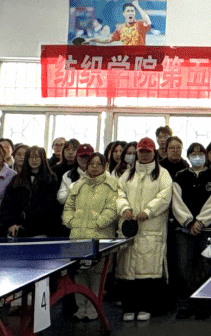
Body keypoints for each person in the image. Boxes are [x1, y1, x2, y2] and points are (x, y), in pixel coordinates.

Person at [116, 138, 173, 322]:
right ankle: (129, 307)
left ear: (154, 153)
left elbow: (164, 197)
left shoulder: (162, 174)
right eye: (141, 151)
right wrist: (124, 208)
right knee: (127, 271)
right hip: (129, 230)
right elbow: (119, 193)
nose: (144, 154)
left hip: (151, 230)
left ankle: (145, 307)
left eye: (148, 151)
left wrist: (148, 211)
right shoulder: (127, 174)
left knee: (148, 272)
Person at [63, 152, 121, 320]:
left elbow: (112, 209)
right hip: (78, 236)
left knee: (96, 275)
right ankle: (81, 309)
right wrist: (71, 222)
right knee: (79, 274)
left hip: (100, 237)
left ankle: (94, 309)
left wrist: (97, 223)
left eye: (98, 164)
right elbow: (68, 207)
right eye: (91, 164)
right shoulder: (78, 184)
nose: (94, 167)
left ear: (105, 166)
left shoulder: (112, 184)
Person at [170, 143, 211, 315]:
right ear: (188, 156)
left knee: (204, 267)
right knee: (183, 266)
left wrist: (200, 222)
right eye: (193, 154)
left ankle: (202, 305)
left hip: (206, 231)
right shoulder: (180, 176)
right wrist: (188, 222)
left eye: (200, 154)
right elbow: (176, 202)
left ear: (205, 156)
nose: (197, 157)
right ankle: (185, 304)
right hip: (183, 231)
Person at [0, 146, 61, 238]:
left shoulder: (51, 179)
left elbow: (53, 207)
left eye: (37, 157)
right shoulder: (17, 179)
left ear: (42, 159)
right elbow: (8, 203)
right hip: (19, 228)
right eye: (31, 157)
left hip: (43, 229)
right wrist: (11, 223)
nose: (34, 160)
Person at [57, 144, 94, 210]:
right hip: (72, 212)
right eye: (81, 157)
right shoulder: (68, 175)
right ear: (77, 158)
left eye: (87, 157)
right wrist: (73, 188)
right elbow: (61, 199)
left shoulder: (101, 174)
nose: (84, 159)